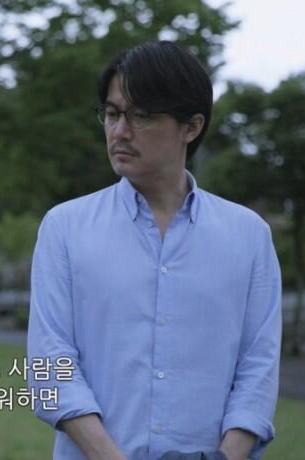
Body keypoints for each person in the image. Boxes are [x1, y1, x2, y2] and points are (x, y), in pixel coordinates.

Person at [27, 41, 282, 460]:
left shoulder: (249, 236)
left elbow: (259, 367)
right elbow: (50, 364)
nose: (119, 131)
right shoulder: (65, 228)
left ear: (191, 127)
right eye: (112, 114)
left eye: (141, 116)